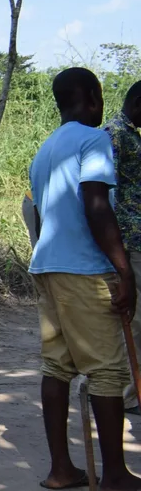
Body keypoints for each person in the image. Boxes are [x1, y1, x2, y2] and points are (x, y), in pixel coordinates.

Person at [27, 68, 141, 491]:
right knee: (107, 369)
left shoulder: (46, 148)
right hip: (84, 269)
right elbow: (97, 205)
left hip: (48, 266)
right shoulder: (94, 140)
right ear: (92, 97)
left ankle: (61, 468)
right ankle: (114, 475)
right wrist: (124, 269)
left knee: (57, 365)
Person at [104, 81, 141, 412]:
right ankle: (130, 395)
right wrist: (118, 251)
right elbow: (107, 192)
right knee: (135, 319)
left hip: (133, 237)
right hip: (128, 240)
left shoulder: (131, 133)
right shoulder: (116, 133)